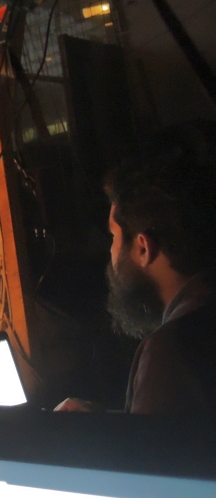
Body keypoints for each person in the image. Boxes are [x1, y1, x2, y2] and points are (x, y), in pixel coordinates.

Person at [57, 123, 216, 414]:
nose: (111, 252)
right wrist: (112, 423)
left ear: (143, 247)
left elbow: (155, 444)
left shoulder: (171, 350)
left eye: (114, 237)